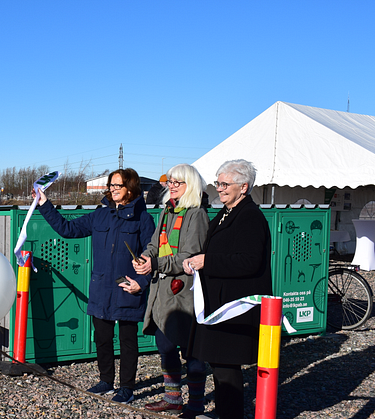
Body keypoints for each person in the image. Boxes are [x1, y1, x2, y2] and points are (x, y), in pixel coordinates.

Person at [36, 168, 155, 404]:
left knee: (128, 341)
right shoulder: (100, 215)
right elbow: (67, 229)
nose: (112, 189)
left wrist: (140, 284)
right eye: (110, 185)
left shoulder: (144, 219)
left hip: (126, 287)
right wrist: (44, 203)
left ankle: (127, 388)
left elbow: (151, 256)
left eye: (117, 186)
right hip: (101, 287)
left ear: (130, 188)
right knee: (102, 337)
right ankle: (106, 381)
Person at [182, 159, 272, 419]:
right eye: (217, 183)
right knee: (219, 364)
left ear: (243, 187)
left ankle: (231, 415)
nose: (219, 189)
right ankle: (223, 413)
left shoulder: (250, 216)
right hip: (219, 302)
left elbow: (249, 261)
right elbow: (219, 251)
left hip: (235, 307)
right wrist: (198, 261)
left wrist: (207, 261)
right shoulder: (225, 213)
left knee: (227, 365)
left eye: (224, 184)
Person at [133, 164, 209, 417]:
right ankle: (173, 397)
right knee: (164, 344)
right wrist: (145, 258)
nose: (171, 185)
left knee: (191, 350)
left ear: (191, 185)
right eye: (170, 181)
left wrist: (157, 263)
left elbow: (190, 257)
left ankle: (196, 403)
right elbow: (155, 243)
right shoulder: (168, 210)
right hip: (161, 290)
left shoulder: (196, 214)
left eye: (178, 182)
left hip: (184, 292)